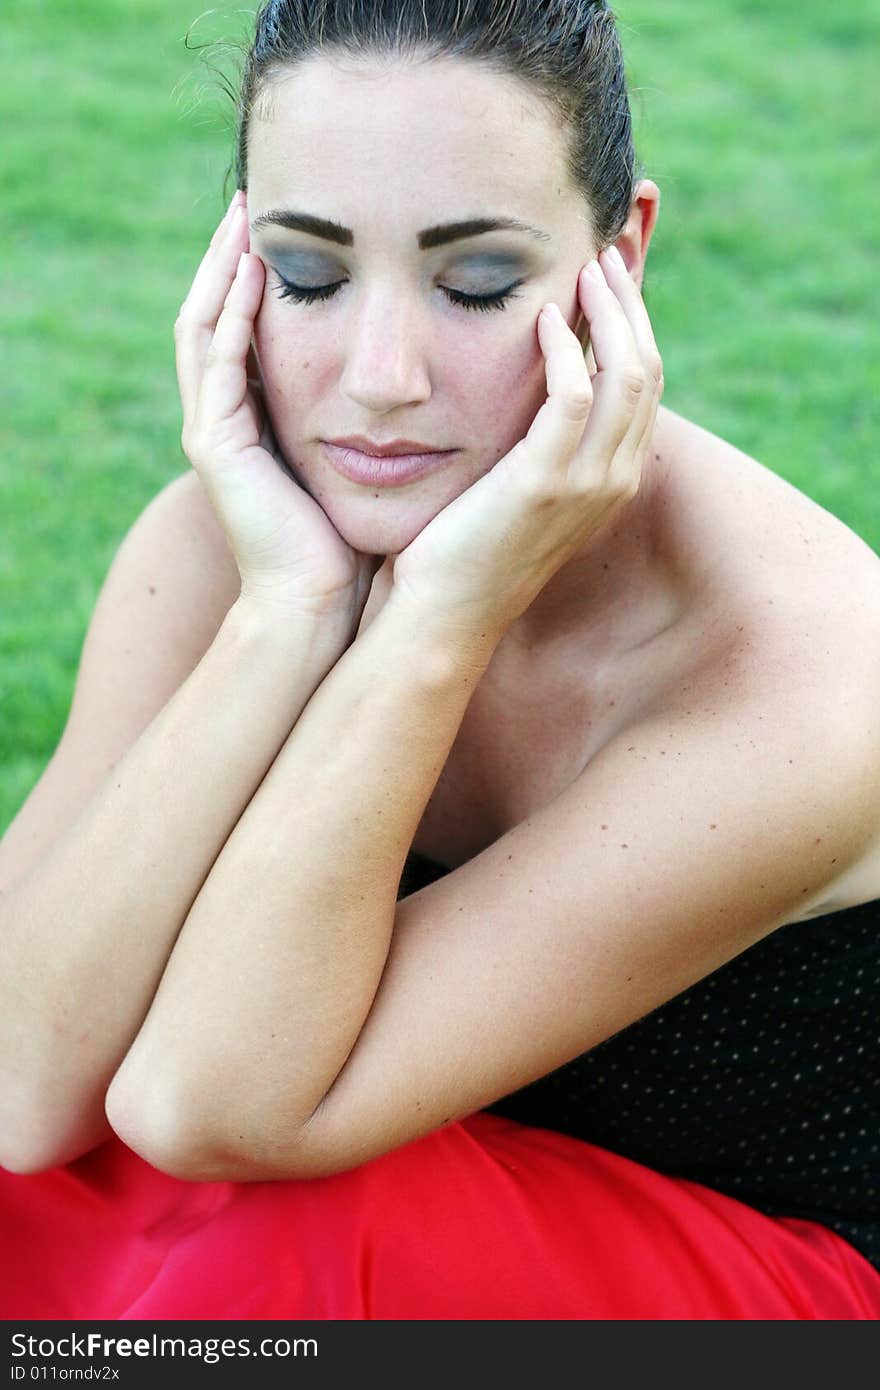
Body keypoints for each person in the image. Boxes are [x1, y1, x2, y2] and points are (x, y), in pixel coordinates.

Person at [1, 0, 878, 1321]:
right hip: (356, 1163)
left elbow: (201, 1105)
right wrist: (285, 617)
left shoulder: (810, 677)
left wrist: (434, 624)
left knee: (275, 1248)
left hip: (761, 1263)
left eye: (473, 284)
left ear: (619, 257)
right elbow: (22, 1082)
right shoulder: (231, 542)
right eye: (308, 273)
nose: (380, 377)